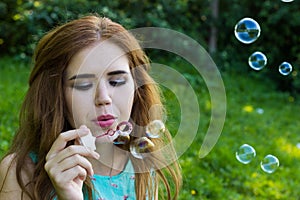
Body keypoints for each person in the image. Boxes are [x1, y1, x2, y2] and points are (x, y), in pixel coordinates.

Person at [0, 14, 181, 200]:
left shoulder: (141, 165)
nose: (103, 98)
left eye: (117, 81)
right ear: (55, 95)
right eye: (83, 85)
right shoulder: (21, 174)